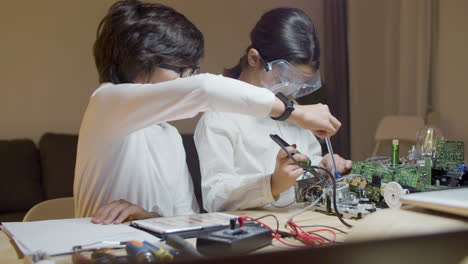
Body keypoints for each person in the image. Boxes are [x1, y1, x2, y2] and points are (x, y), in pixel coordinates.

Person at [74, 0, 341, 224]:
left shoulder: (169, 136)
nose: (187, 79)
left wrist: (147, 217)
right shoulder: (106, 104)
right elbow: (205, 90)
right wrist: (293, 112)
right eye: (182, 71)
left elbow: (187, 219)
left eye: (192, 72)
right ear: (140, 62)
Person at [194, 7, 352, 212]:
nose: (291, 90)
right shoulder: (219, 119)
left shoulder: (297, 113)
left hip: (305, 224)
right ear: (253, 58)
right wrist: (272, 184)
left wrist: (323, 167)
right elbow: (214, 198)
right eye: (283, 79)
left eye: (300, 83)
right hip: (255, 233)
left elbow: (306, 174)